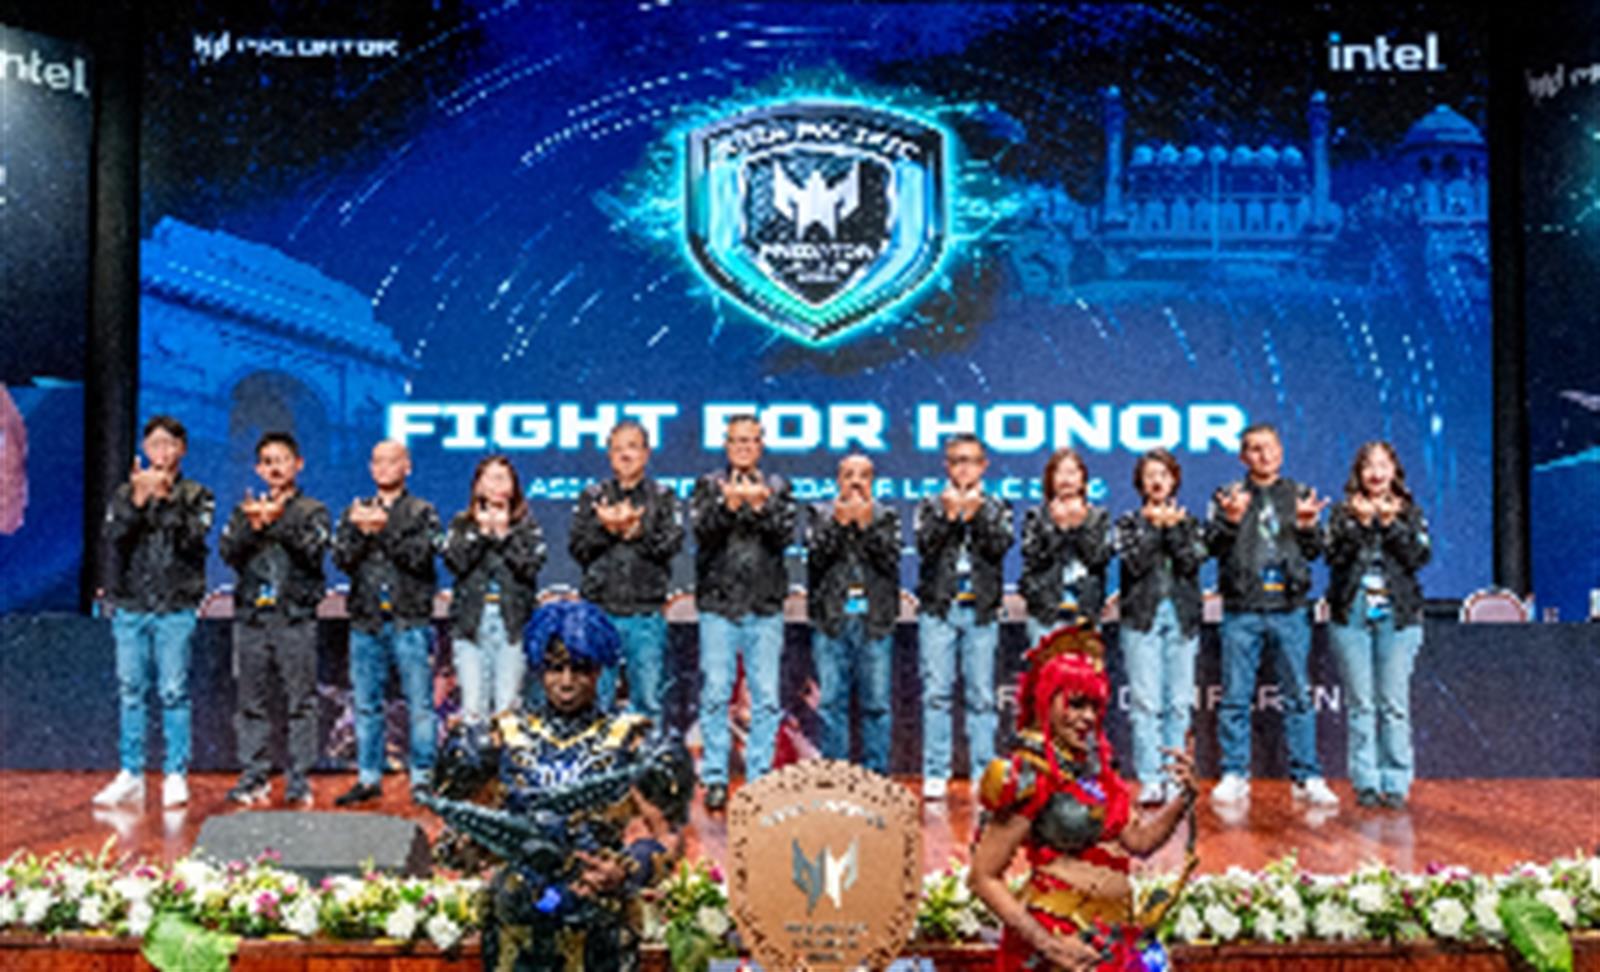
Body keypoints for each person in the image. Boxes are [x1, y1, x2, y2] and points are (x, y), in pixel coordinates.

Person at [422, 600, 691, 972]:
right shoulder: (501, 737)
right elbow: (454, 836)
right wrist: (471, 848)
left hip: (599, 925)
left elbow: (669, 837)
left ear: (599, 669)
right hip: (517, 926)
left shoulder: (632, 740)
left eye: (580, 668)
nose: (566, 681)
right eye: (555, 667)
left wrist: (628, 870)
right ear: (539, 668)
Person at [970, 624, 1195, 972]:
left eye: (1094, 706)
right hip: (1057, 947)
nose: (1087, 717)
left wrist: (1184, 798)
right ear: (1046, 701)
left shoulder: (1099, 772)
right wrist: (1050, 946)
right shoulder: (1029, 773)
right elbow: (983, 877)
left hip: (1113, 941)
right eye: (1075, 704)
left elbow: (1139, 842)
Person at [1206, 423, 1336, 806]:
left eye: (1270, 447)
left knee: (1298, 697)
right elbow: (1210, 546)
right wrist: (1230, 521)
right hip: (1242, 609)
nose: (1264, 455)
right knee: (1235, 697)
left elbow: (1315, 551)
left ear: (1281, 451)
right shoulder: (1227, 495)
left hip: (1289, 608)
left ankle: (1307, 776)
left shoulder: (1300, 494)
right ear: (1243, 457)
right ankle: (1234, 773)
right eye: (1255, 449)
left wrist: (1308, 527)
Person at [94, 416, 214, 809]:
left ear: (182, 449)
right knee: (131, 691)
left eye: (169, 444)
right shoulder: (125, 493)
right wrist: (138, 501)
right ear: (144, 450)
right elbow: (114, 536)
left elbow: (193, 539)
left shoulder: (197, 495)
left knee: (173, 691)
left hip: (175, 606)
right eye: (154, 444)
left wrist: (165, 499)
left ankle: (175, 773)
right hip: (132, 605)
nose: (161, 451)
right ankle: (131, 772)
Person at [689, 413, 797, 811]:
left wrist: (760, 507)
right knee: (716, 695)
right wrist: (728, 506)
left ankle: (759, 778)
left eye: (751, 440)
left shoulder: (778, 488)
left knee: (765, 698)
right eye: (737, 440)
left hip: (764, 606)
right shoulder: (708, 486)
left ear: (761, 446)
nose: (744, 447)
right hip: (719, 606)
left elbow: (784, 536)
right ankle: (716, 778)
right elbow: (702, 533)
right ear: (726, 445)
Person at [218, 431, 331, 807]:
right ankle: (254, 775)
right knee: (251, 703)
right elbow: (228, 553)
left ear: (298, 464)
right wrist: (253, 527)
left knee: (301, 703)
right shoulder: (246, 511)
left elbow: (313, 552)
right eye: (267, 462)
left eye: (281, 460)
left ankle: (299, 779)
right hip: (252, 618)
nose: (274, 468)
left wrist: (277, 521)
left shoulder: (312, 511)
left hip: (294, 618)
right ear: (258, 469)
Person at [331, 441, 442, 807]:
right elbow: (342, 558)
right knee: (366, 704)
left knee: (419, 704)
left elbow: (422, 557)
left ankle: (423, 778)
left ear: (407, 467)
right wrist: (361, 532)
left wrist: (385, 529)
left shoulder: (422, 512)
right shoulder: (356, 510)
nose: (383, 467)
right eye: (377, 461)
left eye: (391, 461)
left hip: (409, 619)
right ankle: (368, 776)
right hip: (366, 621)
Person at [1325, 441, 1431, 810]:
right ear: (1359, 473)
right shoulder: (1342, 513)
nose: (1376, 472)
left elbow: (1418, 557)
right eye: (1368, 465)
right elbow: (1334, 557)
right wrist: (1359, 524)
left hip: (1398, 615)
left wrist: (1389, 524)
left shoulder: (1410, 512)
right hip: (1351, 612)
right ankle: (1366, 781)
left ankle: (1396, 781)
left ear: (1394, 471)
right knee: (1361, 703)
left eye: (1383, 465)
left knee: (1393, 703)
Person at [915, 432, 1014, 801]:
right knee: (936, 694)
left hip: (981, 610)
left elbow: (1000, 545)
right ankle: (935, 772)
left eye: (970, 461)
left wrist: (976, 515)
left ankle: (982, 772)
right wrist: (950, 517)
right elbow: (925, 546)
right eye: (957, 461)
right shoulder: (930, 505)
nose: (963, 468)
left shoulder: (997, 505)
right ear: (947, 465)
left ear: (983, 466)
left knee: (981, 696)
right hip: (939, 608)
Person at [569, 420, 684, 720]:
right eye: (617, 448)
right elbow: (578, 548)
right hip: (599, 612)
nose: (625, 455)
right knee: (595, 699)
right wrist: (606, 529)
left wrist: (635, 531)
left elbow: (670, 545)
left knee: (648, 700)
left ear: (646, 453)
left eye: (632, 447)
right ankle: (597, 752)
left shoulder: (663, 497)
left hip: (645, 615)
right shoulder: (592, 497)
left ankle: (650, 751)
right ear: (609, 455)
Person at [1114, 449, 1208, 807]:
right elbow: (1135, 563)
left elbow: (1191, 561)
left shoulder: (1189, 523)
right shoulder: (1128, 524)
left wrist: (1173, 531)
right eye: (1150, 474)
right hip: (1141, 616)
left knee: (1178, 703)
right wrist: (1154, 529)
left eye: (1163, 475)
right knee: (1145, 702)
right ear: (1140, 482)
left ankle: (1174, 778)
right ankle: (1151, 778)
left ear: (1174, 481)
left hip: (1181, 616)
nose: (1157, 481)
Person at [804, 453, 902, 773]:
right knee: (831, 703)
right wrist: (841, 523)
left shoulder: (886, 517)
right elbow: (817, 556)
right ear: (838, 481)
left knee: (876, 704)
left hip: (874, 622)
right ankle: (837, 774)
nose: (856, 482)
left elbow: (889, 558)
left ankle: (876, 774)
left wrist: (865, 524)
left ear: (872, 482)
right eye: (849, 476)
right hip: (831, 621)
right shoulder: (820, 514)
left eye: (863, 476)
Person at [443, 455, 546, 721]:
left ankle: (505, 749)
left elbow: (531, 566)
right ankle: (474, 748)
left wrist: (503, 535)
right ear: (477, 485)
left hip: (512, 624)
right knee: (473, 706)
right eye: (489, 477)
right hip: (471, 623)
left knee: (507, 707)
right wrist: (480, 534)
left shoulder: (526, 527)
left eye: (502, 478)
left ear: (513, 486)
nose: (496, 483)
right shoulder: (461, 524)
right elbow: (455, 562)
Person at [1021, 448, 1112, 643]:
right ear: (1050, 479)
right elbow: (1034, 558)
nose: (1066, 479)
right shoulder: (1035, 517)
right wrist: (1059, 529)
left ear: (1082, 479)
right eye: (1060, 472)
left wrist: (1079, 526)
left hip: (1085, 609)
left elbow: (1098, 558)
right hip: (1046, 610)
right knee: (1047, 662)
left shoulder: (1098, 517)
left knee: (1084, 663)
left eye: (1072, 472)